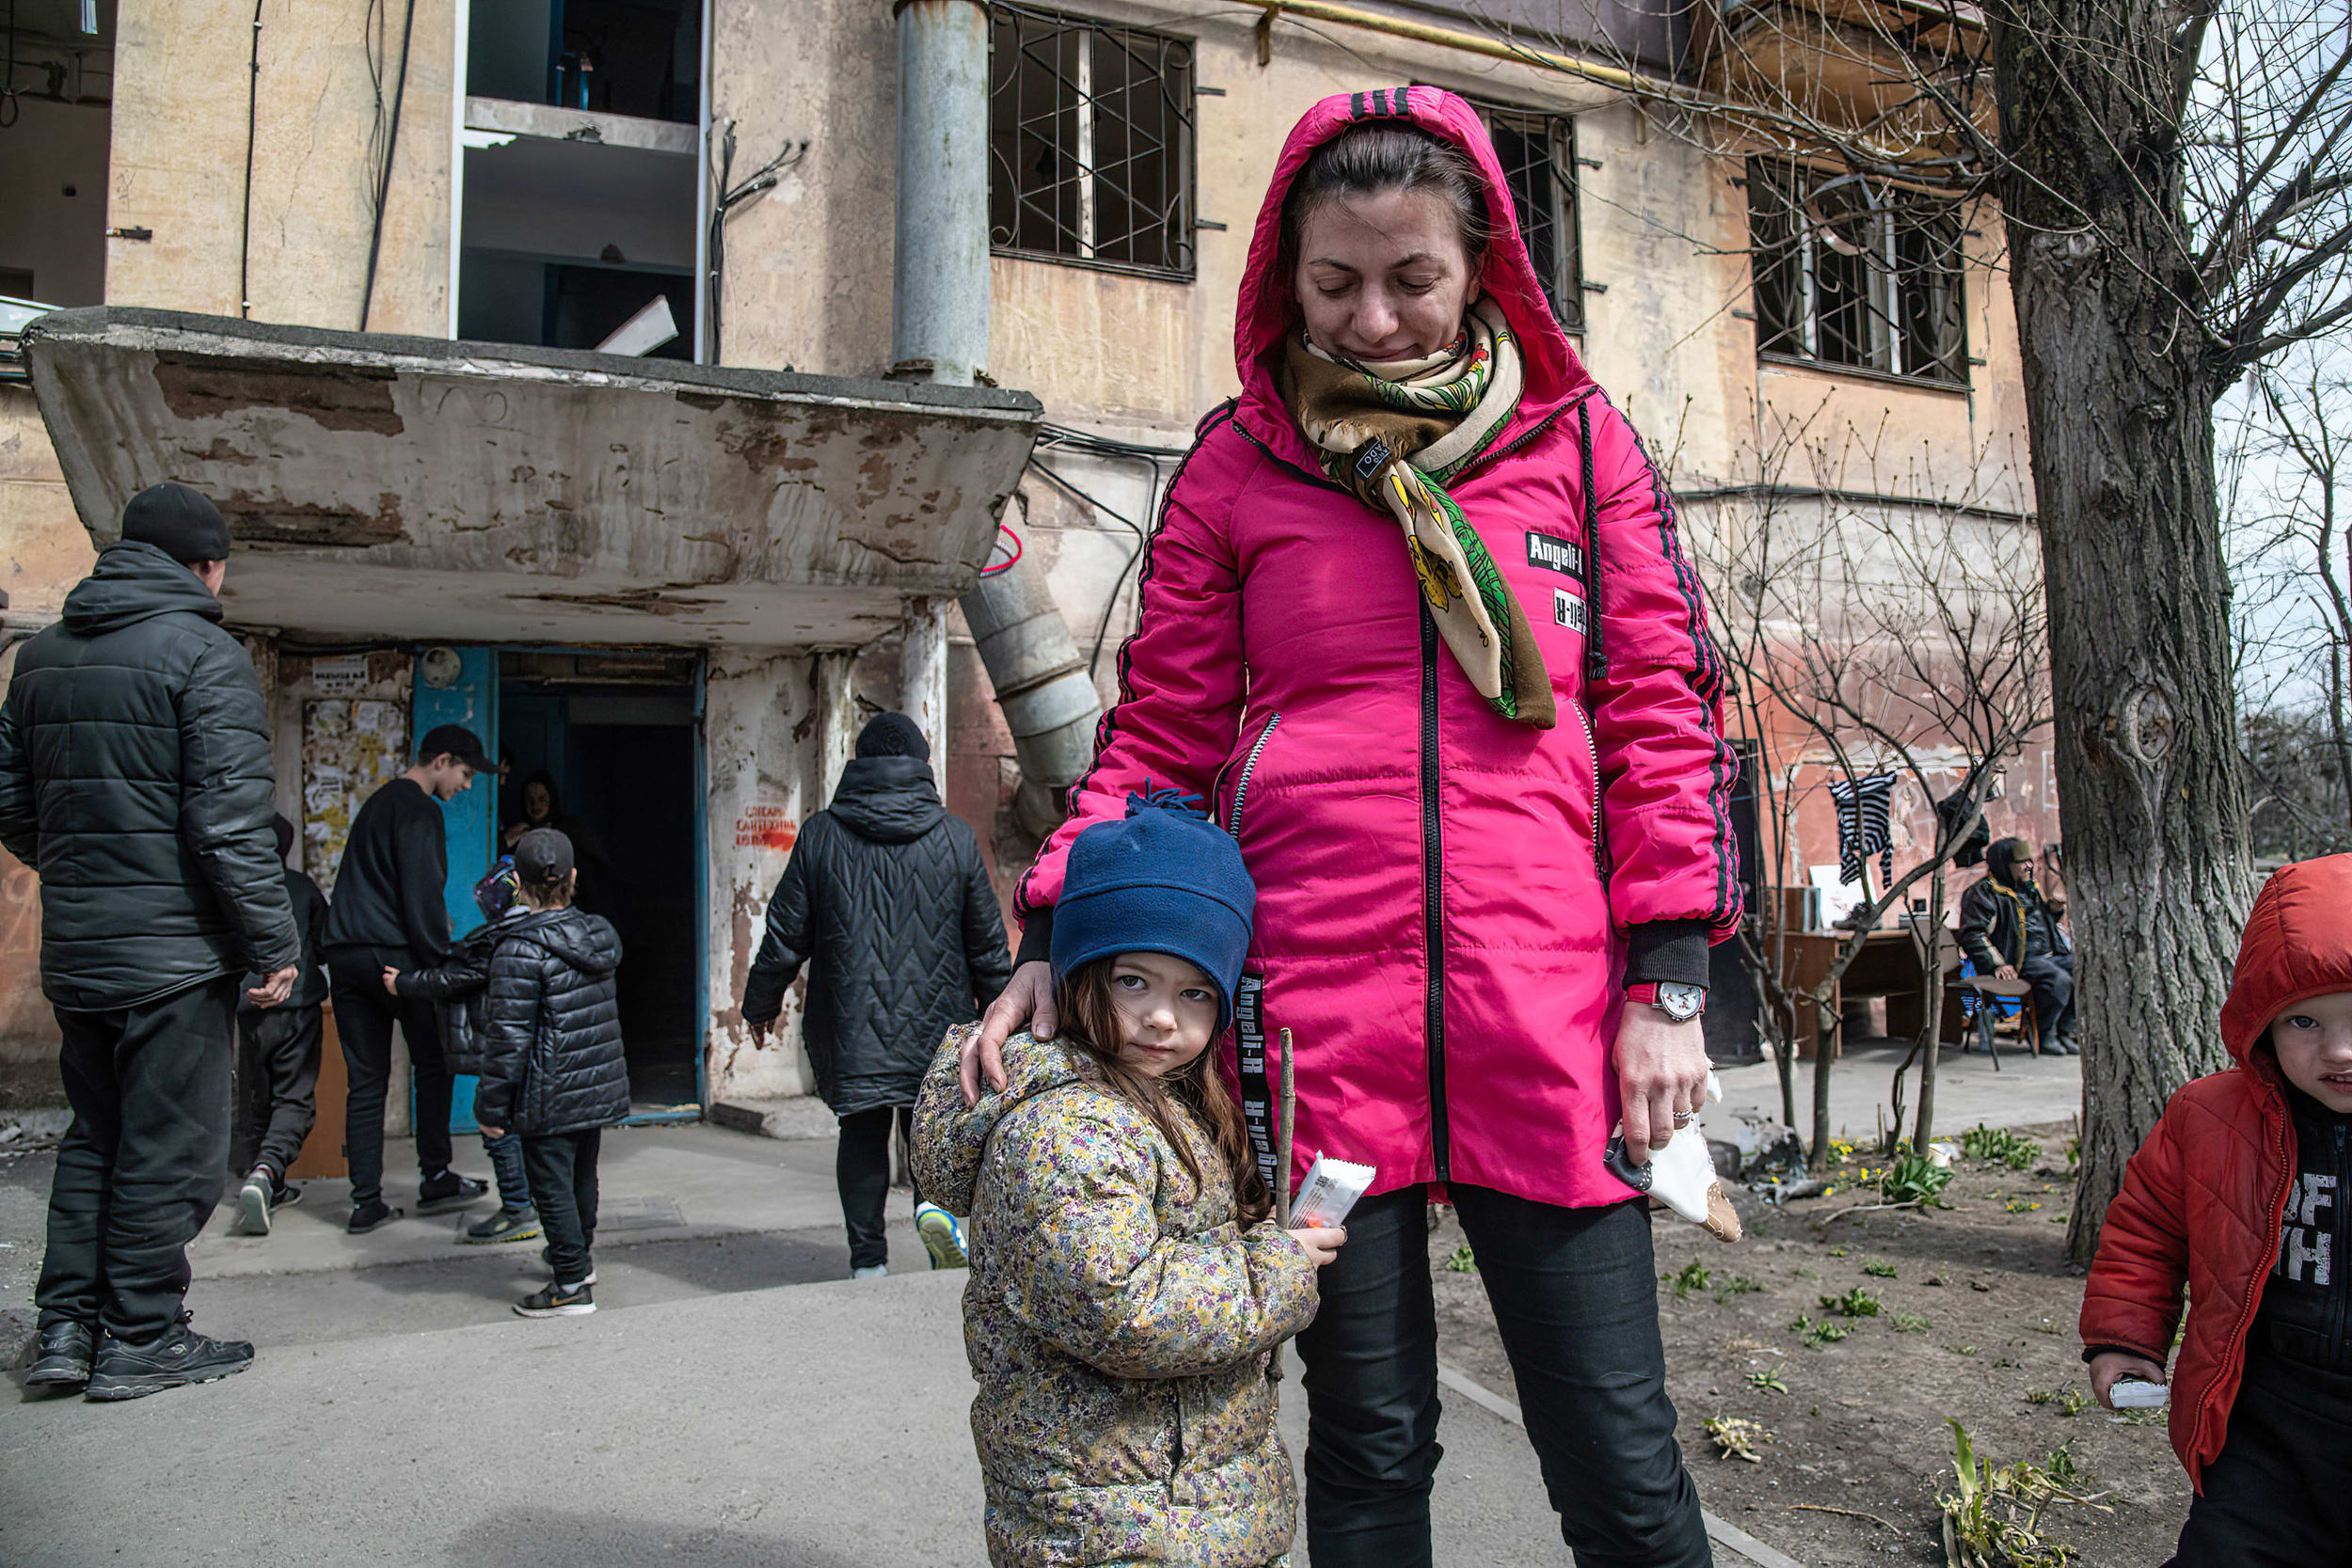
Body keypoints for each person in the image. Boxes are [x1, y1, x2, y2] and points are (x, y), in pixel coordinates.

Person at [964, 89, 1740, 1566]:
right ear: (1286, 277)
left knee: (1621, 1459)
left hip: (1552, 1021)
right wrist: (1058, 930)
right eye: (1335, 283)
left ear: (1484, 270)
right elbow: (1163, 735)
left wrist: (1669, 982)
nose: (1373, 320)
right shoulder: (1236, 467)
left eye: (1412, 279)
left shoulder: (1583, 450)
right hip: (1315, 1033)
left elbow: (1662, 719)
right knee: (1371, 1445)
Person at [914, 792, 1341, 1566]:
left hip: (1168, 1504)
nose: (1163, 1018)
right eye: (1133, 981)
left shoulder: (1158, 1097)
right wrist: (1274, 1269)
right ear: (1077, 977)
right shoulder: (1068, 1126)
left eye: (1194, 992)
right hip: (1114, 1523)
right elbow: (1124, 1308)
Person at [2, 482, 300, 1400]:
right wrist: (274, 944)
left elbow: (11, 804)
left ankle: (66, 1327)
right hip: (173, 958)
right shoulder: (204, 655)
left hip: (80, 951)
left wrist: (88, 873)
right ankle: (141, 1332)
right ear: (205, 565)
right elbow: (231, 825)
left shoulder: (39, 657)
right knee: (172, 1148)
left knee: (97, 1135)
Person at [2079, 853, 2352, 1564]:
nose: (2340, 1050)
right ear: (2260, 1021)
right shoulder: (2210, 1118)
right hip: (2268, 1424)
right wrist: (2127, 1339)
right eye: (2303, 1020)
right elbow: (2147, 1232)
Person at [743, 711, 1014, 1277]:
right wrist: (1002, 1020)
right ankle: (932, 1209)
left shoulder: (821, 835)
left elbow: (785, 934)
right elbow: (988, 945)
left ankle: (868, 1262)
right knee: (928, 1124)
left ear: (859, 765)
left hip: (851, 1023)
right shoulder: (955, 837)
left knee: (861, 1130)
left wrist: (760, 1005)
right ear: (922, 765)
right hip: (937, 1025)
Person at [324, 722, 498, 1232]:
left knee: (366, 1081)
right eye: (465, 773)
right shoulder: (420, 809)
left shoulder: (376, 804)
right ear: (441, 761)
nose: (466, 785)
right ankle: (436, 1175)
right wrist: (443, 958)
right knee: (434, 1062)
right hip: (396, 957)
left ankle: (366, 1202)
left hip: (345, 955)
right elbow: (421, 892)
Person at [474, 829, 628, 1318]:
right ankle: (580, 1261)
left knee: (551, 1186)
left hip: (547, 1091)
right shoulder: (598, 935)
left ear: (518, 884)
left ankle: (569, 1284)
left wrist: (491, 1107)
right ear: (573, 877)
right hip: (594, 1083)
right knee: (582, 1175)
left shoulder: (518, 949)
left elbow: (508, 1039)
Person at [382, 854, 542, 1244]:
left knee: (496, 1122)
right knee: (524, 1126)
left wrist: (404, 984)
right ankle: (536, 1203)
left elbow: (453, 978)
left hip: (503, 1048)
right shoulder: (538, 934)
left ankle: (519, 1207)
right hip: (533, 1047)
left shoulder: (498, 942)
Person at [231, 813, 331, 1236]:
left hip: (249, 1008)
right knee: (294, 1099)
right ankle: (267, 1171)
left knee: (257, 1098)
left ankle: (265, 1182)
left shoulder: (237, 888)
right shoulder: (301, 887)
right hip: (297, 1008)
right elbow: (324, 944)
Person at [1956, 837, 2078, 1053]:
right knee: (2058, 981)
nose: (2028, 866)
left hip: (2049, 955)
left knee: (2082, 971)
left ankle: (2064, 1031)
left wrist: (2054, 910)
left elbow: (2038, 924)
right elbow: (1973, 934)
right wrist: (1997, 964)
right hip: (2017, 961)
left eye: (2029, 861)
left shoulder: (2029, 888)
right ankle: (2044, 1035)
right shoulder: (1984, 893)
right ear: (2004, 865)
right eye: (2021, 862)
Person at [501, 768, 609, 911]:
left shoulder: (572, 830)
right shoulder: (519, 834)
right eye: (530, 799)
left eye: (542, 799)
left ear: (551, 799)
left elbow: (597, 869)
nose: (535, 805)